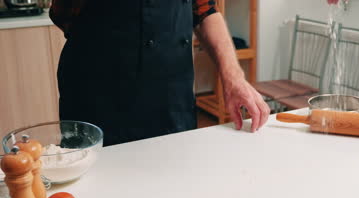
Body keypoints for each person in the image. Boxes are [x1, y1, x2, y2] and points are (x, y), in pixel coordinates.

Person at [50, 1, 270, 146]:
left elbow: (204, 11)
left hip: (171, 98)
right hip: (102, 99)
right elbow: (64, 14)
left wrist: (234, 79)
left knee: (173, 188)